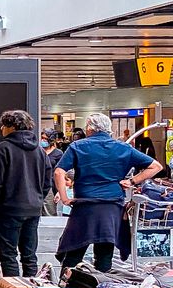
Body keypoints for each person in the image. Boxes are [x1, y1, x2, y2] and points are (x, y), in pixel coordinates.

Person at [55, 112, 163, 274]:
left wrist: (64, 198)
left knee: (74, 251)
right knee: (105, 254)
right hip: (112, 207)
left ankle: (66, 284)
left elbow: (59, 172)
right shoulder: (123, 148)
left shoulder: (78, 146)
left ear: (90, 128)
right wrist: (132, 181)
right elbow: (156, 166)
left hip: (85, 206)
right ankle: (102, 284)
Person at [0, 110, 52, 277]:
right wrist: (38, 199)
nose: (1, 128)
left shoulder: (2, 149)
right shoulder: (40, 151)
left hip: (8, 209)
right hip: (33, 209)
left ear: (12, 127)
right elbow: (47, 182)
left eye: (4, 125)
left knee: (8, 256)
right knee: (29, 256)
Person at [42, 129, 65, 216]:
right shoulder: (38, 151)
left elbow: (61, 172)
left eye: (45, 138)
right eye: (42, 138)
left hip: (50, 186)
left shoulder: (58, 153)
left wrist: (60, 191)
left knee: (49, 211)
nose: (43, 140)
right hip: (38, 185)